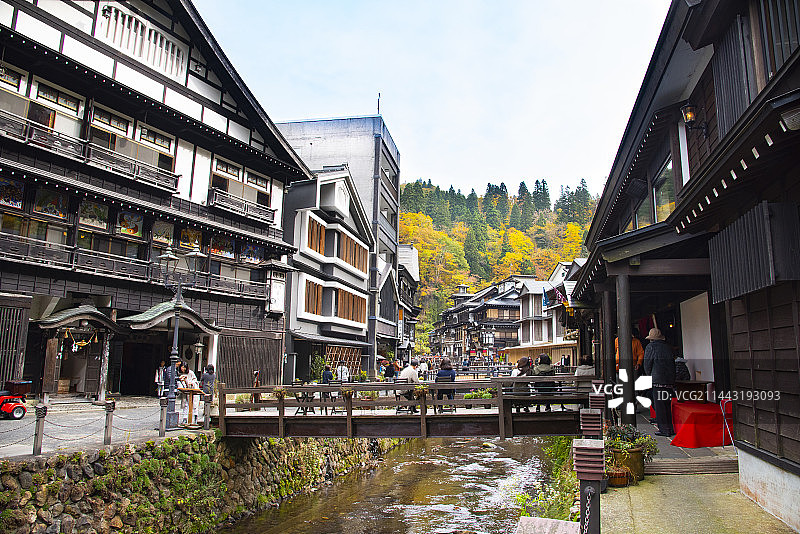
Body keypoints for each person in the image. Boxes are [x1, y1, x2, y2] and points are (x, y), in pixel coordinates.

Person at [643, 328, 675, 437]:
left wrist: (649, 375)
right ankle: (670, 428)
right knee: (666, 405)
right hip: (669, 380)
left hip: (657, 380)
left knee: (660, 406)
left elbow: (647, 364)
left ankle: (664, 429)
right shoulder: (667, 347)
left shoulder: (650, 347)